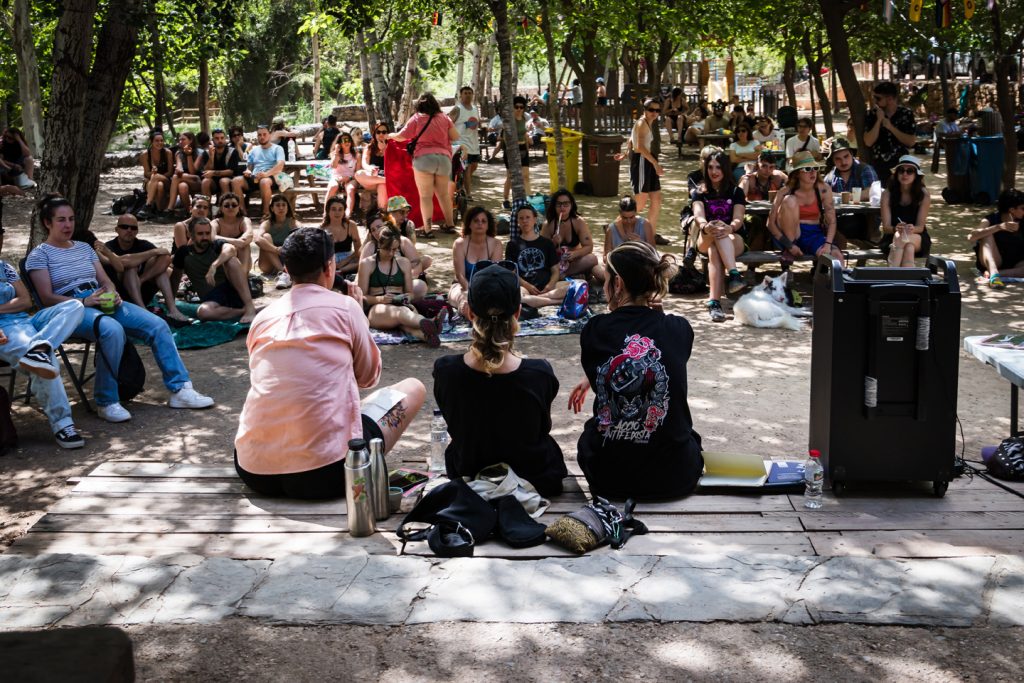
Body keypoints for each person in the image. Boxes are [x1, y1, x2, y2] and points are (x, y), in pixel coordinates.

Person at [235, 227, 426, 499]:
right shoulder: (345, 308)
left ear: (287, 269)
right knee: (413, 387)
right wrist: (359, 314)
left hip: (254, 469)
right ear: (329, 267)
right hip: (327, 473)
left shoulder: (262, 318)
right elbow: (368, 376)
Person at [26, 194, 214, 423]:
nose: (68, 225)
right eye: (61, 220)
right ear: (47, 223)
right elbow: (46, 298)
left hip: (101, 298)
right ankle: (106, 401)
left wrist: (112, 292)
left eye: (71, 219)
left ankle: (181, 389)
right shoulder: (39, 255)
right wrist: (84, 302)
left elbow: (105, 280)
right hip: (71, 308)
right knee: (112, 330)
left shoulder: (84, 248)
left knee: (157, 325)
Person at [568, 241, 703, 500]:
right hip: (674, 477)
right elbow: (667, 355)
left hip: (609, 478)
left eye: (606, 280)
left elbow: (613, 353)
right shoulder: (679, 328)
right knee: (689, 436)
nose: (604, 287)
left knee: (590, 434)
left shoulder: (595, 329)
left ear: (618, 283)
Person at [433, 263, 567, 495]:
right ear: (517, 313)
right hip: (533, 478)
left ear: (470, 313)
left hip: (469, 472)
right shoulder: (540, 373)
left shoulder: (445, 371)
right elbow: (541, 427)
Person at [0, 224, 85, 448]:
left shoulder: (5, 267)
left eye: (0, 234)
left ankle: (39, 349)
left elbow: (26, 300)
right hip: (5, 330)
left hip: (26, 321)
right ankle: (63, 423)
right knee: (45, 361)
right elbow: (18, 301)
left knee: (74, 306)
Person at [357, 225, 446, 347]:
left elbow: (410, 293)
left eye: (394, 249)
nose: (390, 253)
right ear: (379, 244)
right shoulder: (367, 264)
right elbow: (362, 297)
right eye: (387, 249)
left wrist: (407, 297)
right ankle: (431, 322)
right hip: (377, 309)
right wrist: (380, 299)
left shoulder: (404, 262)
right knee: (400, 312)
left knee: (404, 321)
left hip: (401, 305)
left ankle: (425, 336)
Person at [391, 93, 460, 233]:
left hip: (423, 159)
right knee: (443, 195)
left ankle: (428, 229)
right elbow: (455, 136)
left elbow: (401, 136)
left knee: (426, 196)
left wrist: (390, 135)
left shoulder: (417, 118)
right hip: (444, 159)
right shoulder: (444, 117)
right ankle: (450, 224)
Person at [100, 214, 188, 322]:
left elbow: (165, 256)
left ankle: (172, 309)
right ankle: (143, 311)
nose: (129, 230)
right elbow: (122, 262)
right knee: (131, 269)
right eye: (124, 227)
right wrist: (152, 252)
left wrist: (141, 279)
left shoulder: (143, 245)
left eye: (133, 228)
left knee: (161, 271)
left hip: (143, 290)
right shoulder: (109, 247)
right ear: (116, 229)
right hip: (122, 295)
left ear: (137, 231)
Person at [692, 150, 748, 322]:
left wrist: (730, 228)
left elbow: (738, 218)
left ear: (725, 169)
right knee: (715, 231)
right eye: (710, 167)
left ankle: (714, 303)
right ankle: (734, 275)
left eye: (718, 167)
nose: (714, 171)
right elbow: (698, 215)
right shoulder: (699, 191)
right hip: (705, 236)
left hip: (733, 237)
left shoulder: (736, 192)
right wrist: (705, 226)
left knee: (716, 248)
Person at [170, 217, 258, 322]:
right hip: (212, 299)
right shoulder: (184, 253)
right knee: (204, 312)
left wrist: (214, 266)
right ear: (191, 235)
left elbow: (231, 249)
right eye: (200, 234)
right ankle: (245, 311)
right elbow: (175, 279)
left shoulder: (215, 245)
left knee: (232, 261)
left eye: (207, 233)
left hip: (233, 290)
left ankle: (249, 306)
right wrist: (170, 304)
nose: (205, 237)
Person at [770, 150, 845, 269]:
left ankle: (837, 280)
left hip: (814, 233)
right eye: (807, 169)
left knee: (837, 256)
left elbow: (832, 221)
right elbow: (770, 223)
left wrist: (828, 244)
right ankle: (788, 254)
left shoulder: (823, 189)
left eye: (815, 168)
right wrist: (789, 245)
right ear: (797, 173)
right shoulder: (785, 191)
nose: (813, 172)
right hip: (790, 236)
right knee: (790, 200)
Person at [505, 203, 569, 310]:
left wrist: (550, 285)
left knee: (579, 285)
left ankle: (537, 300)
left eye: (528, 217)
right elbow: (512, 273)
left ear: (535, 219)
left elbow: (555, 270)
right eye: (521, 218)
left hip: (548, 287)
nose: (525, 221)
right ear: (517, 222)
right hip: (525, 288)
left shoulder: (547, 243)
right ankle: (558, 301)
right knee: (519, 296)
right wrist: (527, 285)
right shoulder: (512, 245)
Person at [615, 98, 664, 232]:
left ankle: (650, 234)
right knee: (639, 204)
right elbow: (639, 147)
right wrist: (655, 164)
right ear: (645, 110)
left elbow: (631, 139)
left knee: (656, 200)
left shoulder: (647, 122)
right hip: (642, 161)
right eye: (651, 110)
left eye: (657, 110)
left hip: (647, 160)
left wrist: (625, 154)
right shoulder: (642, 123)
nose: (654, 113)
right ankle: (613, 228)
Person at [822, 137, 880, 246]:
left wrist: (841, 196)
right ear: (833, 160)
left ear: (852, 154)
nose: (843, 162)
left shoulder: (864, 169)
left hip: (864, 221)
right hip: (838, 220)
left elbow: (871, 192)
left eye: (846, 156)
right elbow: (822, 195)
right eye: (838, 159)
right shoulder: (830, 176)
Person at [541, 189, 606, 286]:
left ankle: (563, 275)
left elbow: (589, 246)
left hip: (574, 263)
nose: (562, 207)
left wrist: (575, 254)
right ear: (554, 206)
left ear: (571, 205)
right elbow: (542, 251)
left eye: (566, 204)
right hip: (556, 264)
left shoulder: (578, 222)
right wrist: (553, 243)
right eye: (559, 204)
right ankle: (570, 275)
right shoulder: (548, 224)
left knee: (592, 259)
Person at [363, 208, 431, 299]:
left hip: (402, 284)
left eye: (379, 227)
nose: (376, 232)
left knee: (420, 286)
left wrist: (403, 280)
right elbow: (362, 273)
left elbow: (416, 265)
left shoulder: (403, 242)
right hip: (378, 289)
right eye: (373, 230)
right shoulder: (370, 246)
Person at [449, 206, 503, 318]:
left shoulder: (496, 244)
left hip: (487, 287)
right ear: (469, 224)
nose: (480, 223)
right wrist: (470, 292)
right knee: (465, 301)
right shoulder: (459, 244)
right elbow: (460, 275)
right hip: (462, 286)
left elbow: (494, 275)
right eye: (476, 220)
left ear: (488, 225)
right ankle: (476, 321)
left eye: (483, 221)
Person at [879, 155, 931, 268]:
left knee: (901, 238)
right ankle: (908, 278)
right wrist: (895, 228)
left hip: (917, 236)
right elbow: (886, 228)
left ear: (916, 175)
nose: (905, 174)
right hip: (891, 237)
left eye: (910, 171)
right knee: (908, 247)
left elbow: (920, 227)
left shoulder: (924, 194)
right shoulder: (887, 194)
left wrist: (911, 228)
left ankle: (892, 273)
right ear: (896, 173)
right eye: (901, 170)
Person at [864, 81, 917, 184]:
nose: (875, 101)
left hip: (901, 166)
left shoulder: (906, 114)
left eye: (878, 98)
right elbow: (868, 142)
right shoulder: (872, 115)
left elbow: (911, 142)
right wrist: (879, 121)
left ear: (890, 99)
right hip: (879, 165)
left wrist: (890, 127)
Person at [970, 188, 1024, 288]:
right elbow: (972, 237)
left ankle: (996, 274)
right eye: (1022, 208)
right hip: (994, 260)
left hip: (1016, 263)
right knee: (986, 234)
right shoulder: (991, 219)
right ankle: (994, 272)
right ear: (1012, 209)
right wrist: (998, 227)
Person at [231, 124, 285, 219]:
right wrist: (248, 171)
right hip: (255, 177)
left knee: (264, 181)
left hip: (271, 177)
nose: (262, 137)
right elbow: (249, 166)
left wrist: (266, 174)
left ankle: (265, 213)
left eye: (264, 134)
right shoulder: (254, 150)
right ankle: (243, 213)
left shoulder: (277, 148)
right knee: (236, 181)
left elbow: (280, 166)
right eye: (259, 135)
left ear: (269, 135)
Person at [255, 193, 298, 288]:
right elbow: (257, 239)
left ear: (287, 208)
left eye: (283, 205)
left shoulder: (292, 222)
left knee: (297, 235)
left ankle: (284, 273)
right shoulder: (267, 223)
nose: (281, 208)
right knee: (266, 236)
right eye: (278, 205)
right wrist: (276, 250)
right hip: (267, 264)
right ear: (272, 208)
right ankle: (284, 272)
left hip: (286, 260)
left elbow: (304, 233)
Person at [448, 86, 481, 200]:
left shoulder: (475, 109)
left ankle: (460, 185)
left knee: (474, 166)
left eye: (470, 93)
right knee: (467, 168)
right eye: (465, 93)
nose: (468, 95)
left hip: (473, 143)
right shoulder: (457, 109)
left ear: (473, 95)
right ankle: (468, 194)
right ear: (461, 95)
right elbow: (448, 123)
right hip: (461, 143)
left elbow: (477, 123)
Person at [211, 191, 255, 272]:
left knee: (245, 246)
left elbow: (249, 235)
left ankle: (243, 275)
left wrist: (239, 243)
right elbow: (212, 237)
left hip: (243, 260)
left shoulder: (244, 220)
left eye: (234, 205)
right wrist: (235, 242)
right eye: (227, 205)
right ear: (221, 208)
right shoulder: (215, 222)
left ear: (238, 207)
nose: (231, 207)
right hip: (223, 260)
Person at [500, 96, 532, 208]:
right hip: (511, 150)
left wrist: (527, 147)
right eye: (516, 107)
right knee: (510, 176)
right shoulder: (509, 120)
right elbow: (504, 137)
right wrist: (513, 146)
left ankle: (529, 200)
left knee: (526, 176)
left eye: (521, 107)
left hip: (523, 149)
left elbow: (525, 134)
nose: (519, 109)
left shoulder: (525, 118)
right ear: (512, 107)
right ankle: (505, 199)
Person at [138, 129, 176, 219]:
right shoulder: (145, 155)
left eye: (161, 140)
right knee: (159, 185)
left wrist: (158, 176)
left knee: (157, 178)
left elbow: (170, 172)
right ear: (151, 142)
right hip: (151, 181)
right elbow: (146, 173)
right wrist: (152, 173)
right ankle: (159, 211)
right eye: (157, 141)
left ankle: (147, 205)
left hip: (166, 180)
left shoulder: (168, 153)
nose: (160, 143)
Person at [355, 121, 390, 213]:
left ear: (387, 134)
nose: (381, 134)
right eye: (378, 132)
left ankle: (382, 213)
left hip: (386, 177)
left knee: (382, 186)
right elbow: (364, 163)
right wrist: (369, 168)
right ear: (375, 133)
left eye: (384, 132)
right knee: (358, 174)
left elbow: (392, 164)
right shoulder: (369, 147)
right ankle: (387, 180)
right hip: (373, 179)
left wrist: (385, 150)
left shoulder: (391, 146)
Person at [322, 196, 361, 276]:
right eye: (333, 209)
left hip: (348, 258)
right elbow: (322, 253)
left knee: (363, 261)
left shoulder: (351, 225)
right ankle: (336, 271)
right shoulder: (322, 229)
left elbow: (358, 250)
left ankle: (339, 272)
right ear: (328, 211)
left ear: (344, 211)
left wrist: (344, 262)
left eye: (340, 209)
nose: (337, 213)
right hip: (330, 259)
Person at [172, 131, 208, 216]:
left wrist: (189, 155)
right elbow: (179, 166)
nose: (180, 142)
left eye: (183, 139)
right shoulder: (179, 153)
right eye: (179, 140)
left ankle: (170, 207)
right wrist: (178, 169)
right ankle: (189, 212)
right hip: (183, 179)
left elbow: (193, 171)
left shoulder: (200, 152)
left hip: (197, 180)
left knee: (175, 177)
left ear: (191, 140)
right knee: (182, 186)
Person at [325, 132, 360, 216]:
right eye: (344, 140)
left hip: (351, 177)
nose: (347, 142)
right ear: (339, 143)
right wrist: (337, 152)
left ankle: (347, 215)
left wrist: (349, 177)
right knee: (333, 187)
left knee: (350, 189)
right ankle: (325, 213)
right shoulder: (335, 154)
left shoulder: (356, 155)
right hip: (337, 177)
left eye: (348, 140)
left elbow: (358, 172)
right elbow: (333, 166)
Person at [201, 129, 241, 200]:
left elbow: (231, 171)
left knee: (223, 181)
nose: (220, 140)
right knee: (205, 182)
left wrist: (213, 173)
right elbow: (206, 171)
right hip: (213, 181)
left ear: (225, 139)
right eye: (217, 138)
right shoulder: (207, 152)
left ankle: (226, 205)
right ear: (212, 140)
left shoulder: (232, 151)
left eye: (222, 138)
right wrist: (211, 156)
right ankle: (206, 204)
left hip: (229, 179)